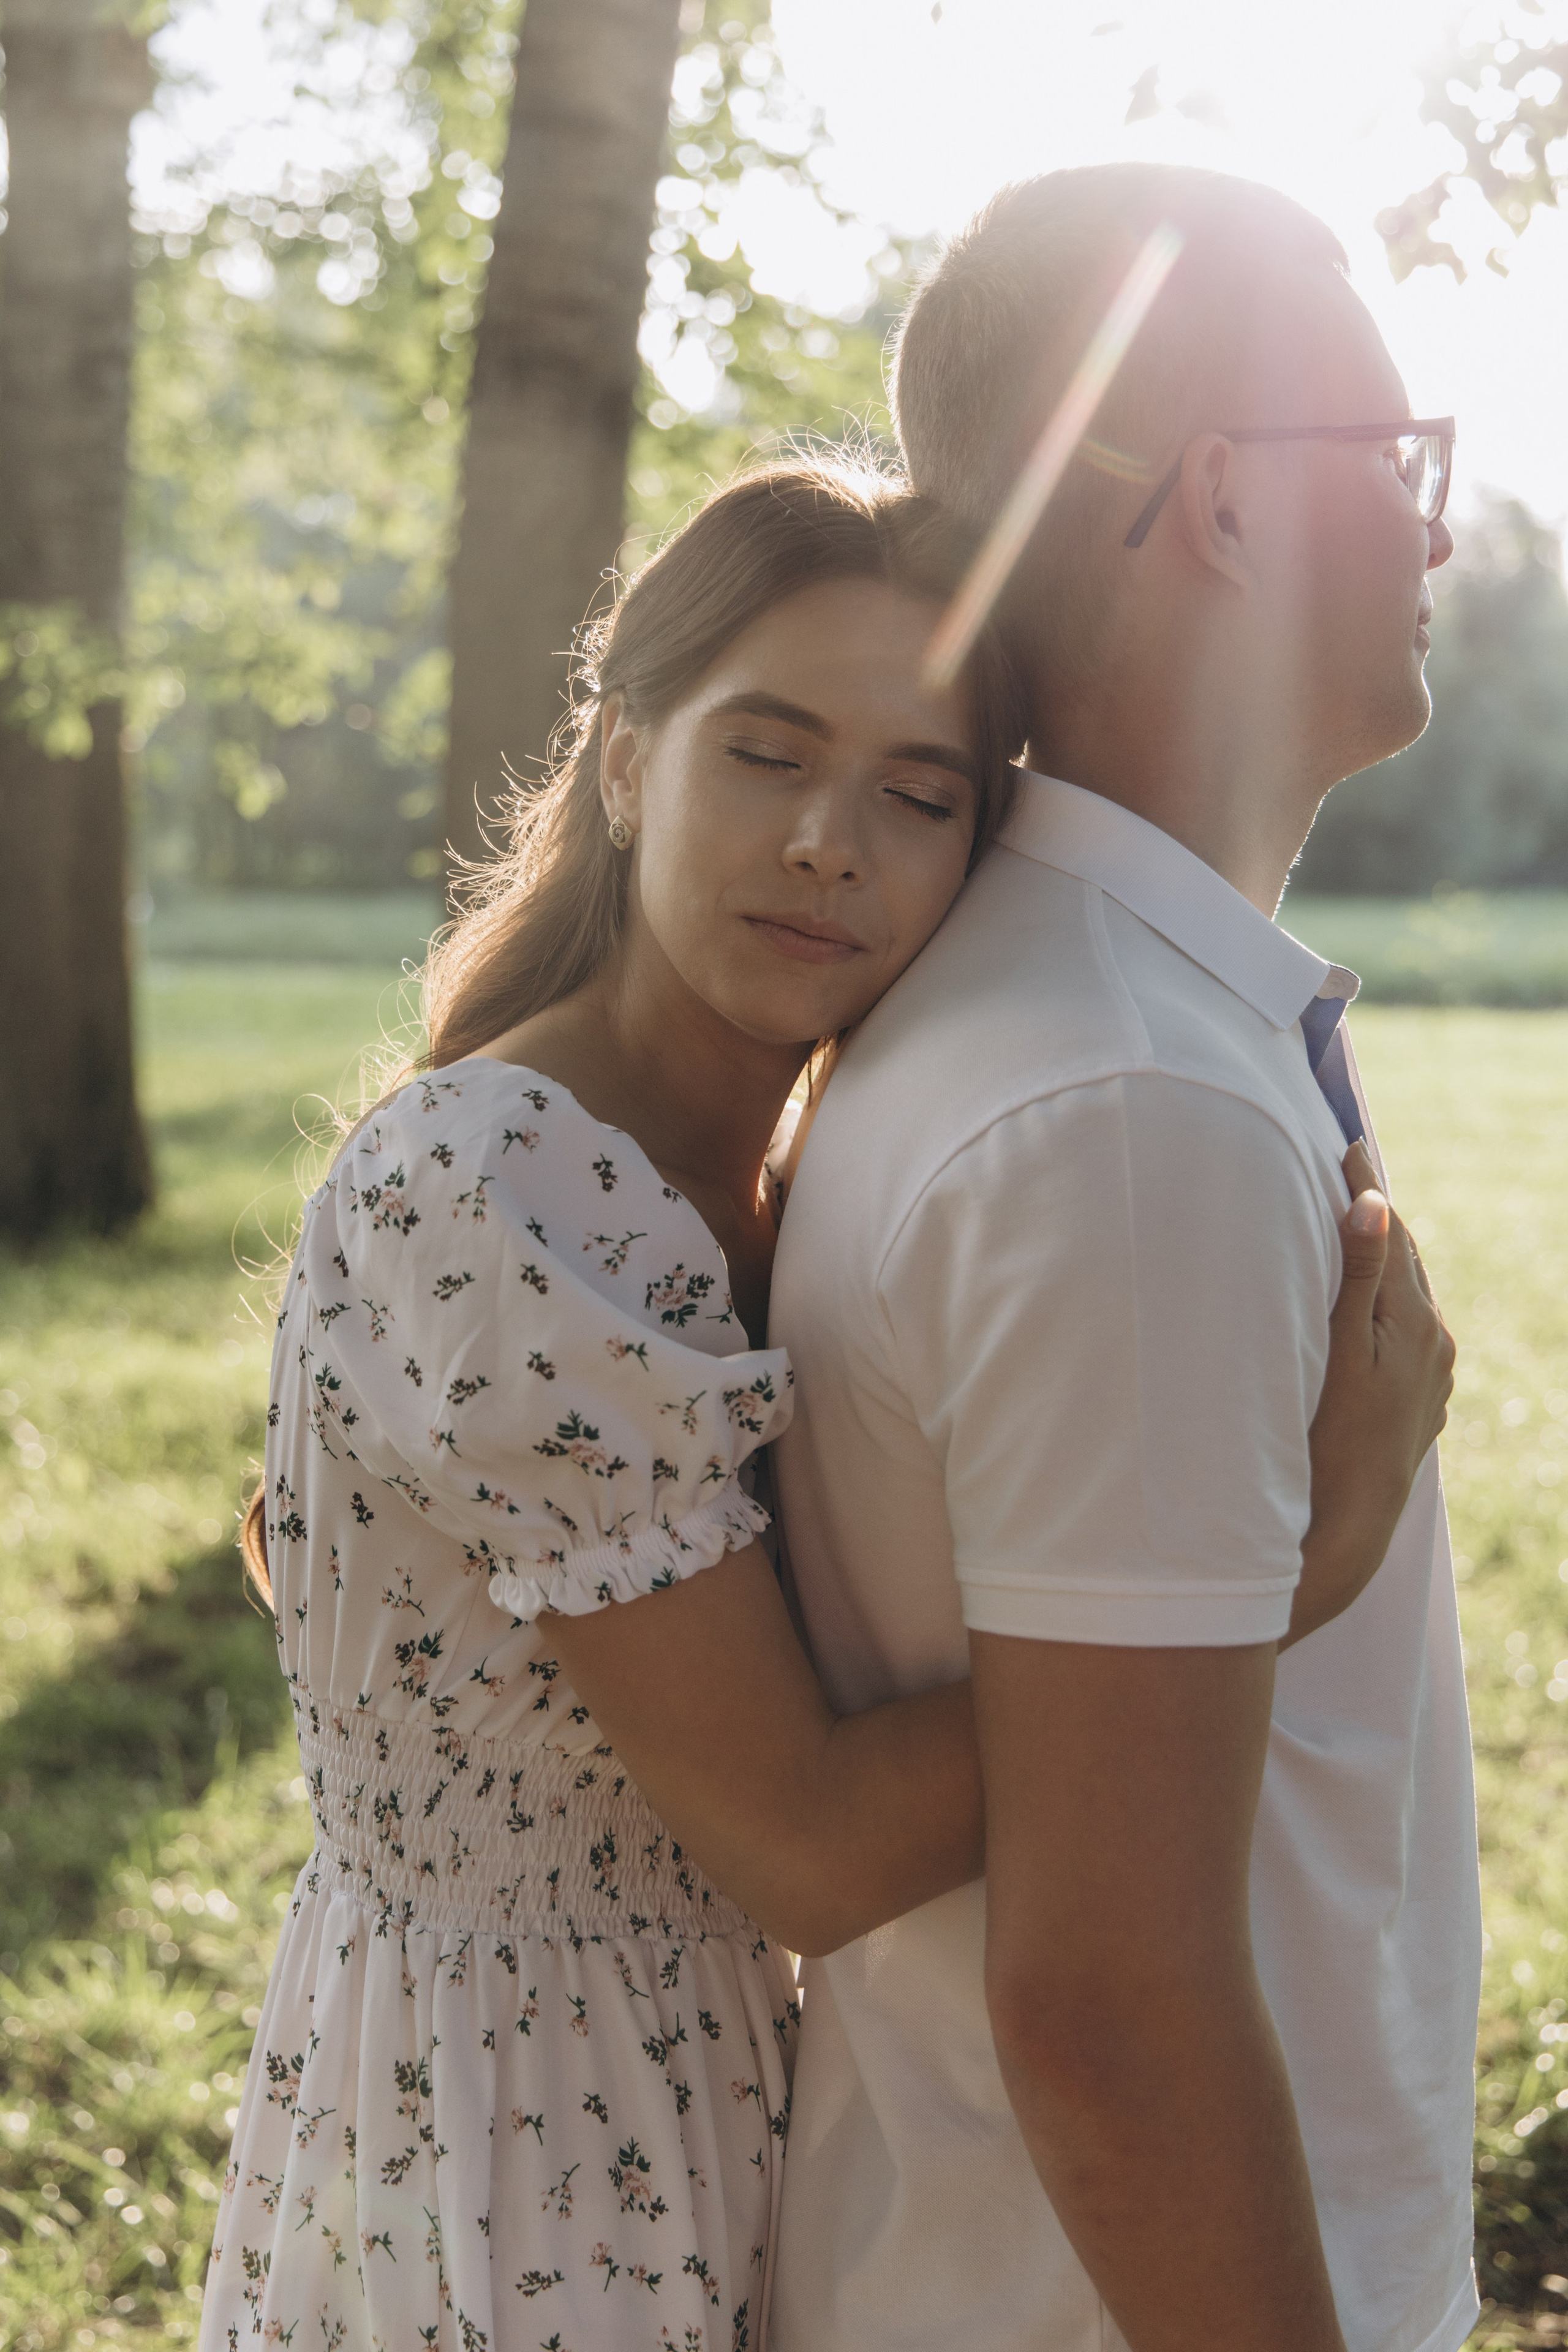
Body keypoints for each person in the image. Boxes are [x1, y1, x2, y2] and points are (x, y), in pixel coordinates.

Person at [205, 461, 1451, 2352]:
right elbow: (804, 1842)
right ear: (625, 759)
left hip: (704, 2106)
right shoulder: (500, 1185)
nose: (828, 844)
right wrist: (1293, 1561)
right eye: (767, 757)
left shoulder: (770, 1185)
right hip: (515, 2151)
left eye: (916, 794)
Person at [763, 166, 1477, 2352]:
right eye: (1404, 458)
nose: (1440, 529)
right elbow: (1108, 2012)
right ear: (1234, 506)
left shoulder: (1064, 1018)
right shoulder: (1130, 1116)